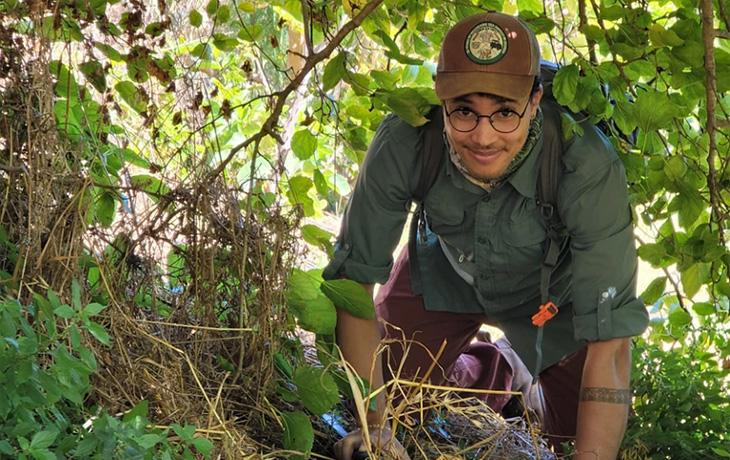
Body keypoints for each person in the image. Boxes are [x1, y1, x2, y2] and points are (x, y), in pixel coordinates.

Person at [324, 11, 649, 460]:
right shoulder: (405, 140)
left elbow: (611, 340)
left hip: (555, 298)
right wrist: (374, 426)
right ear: (440, 98)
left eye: (504, 113)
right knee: (396, 392)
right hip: (447, 269)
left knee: (578, 439)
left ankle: (527, 375)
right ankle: (497, 369)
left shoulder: (585, 163)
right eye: (463, 112)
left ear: (535, 101)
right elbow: (352, 283)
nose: (483, 136)